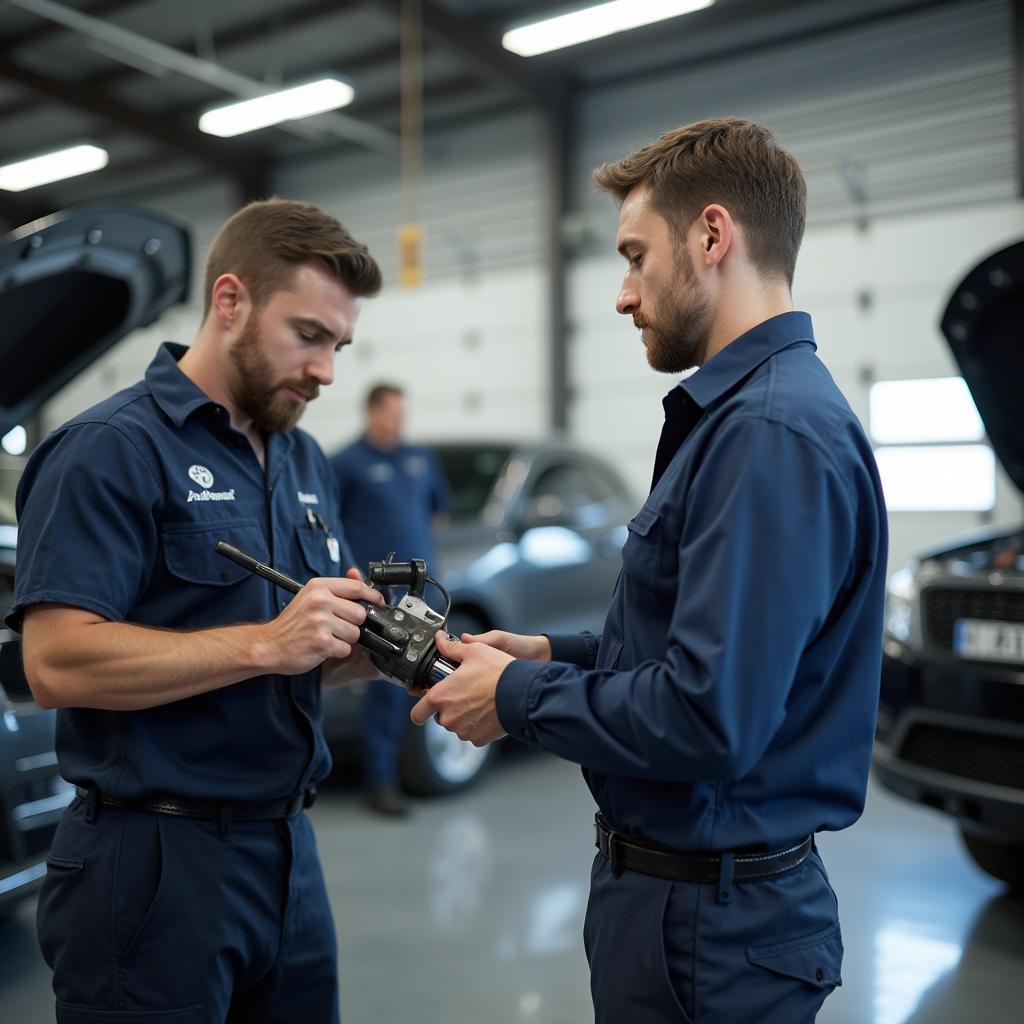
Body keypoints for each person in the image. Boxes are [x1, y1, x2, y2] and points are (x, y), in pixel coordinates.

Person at [410, 117, 888, 1023]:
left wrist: (515, 699)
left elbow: (710, 717)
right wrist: (554, 653)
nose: (623, 296)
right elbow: (696, 646)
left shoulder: (766, 435)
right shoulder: (745, 418)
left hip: (712, 928)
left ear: (713, 236)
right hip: (691, 905)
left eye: (634, 256)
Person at [9, 198, 386, 1023]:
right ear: (230, 302)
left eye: (339, 345)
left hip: (289, 854)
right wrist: (265, 645)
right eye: (309, 335)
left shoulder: (302, 455)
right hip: (150, 866)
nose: (327, 371)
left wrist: (372, 650)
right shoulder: (109, 450)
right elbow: (56, 662)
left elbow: (307, 652)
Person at [330, 383, 448, 816]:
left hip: (422, 596)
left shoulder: (419, 460)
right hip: (378, 598)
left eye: (403, 413)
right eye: (392, 413)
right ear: (372, 413)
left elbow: (438, 514)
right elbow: (327, 526)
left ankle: (417, 773)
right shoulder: (346, 464)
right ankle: (380, 783)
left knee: (423, 680)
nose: (399, 421)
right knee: (384, 686)